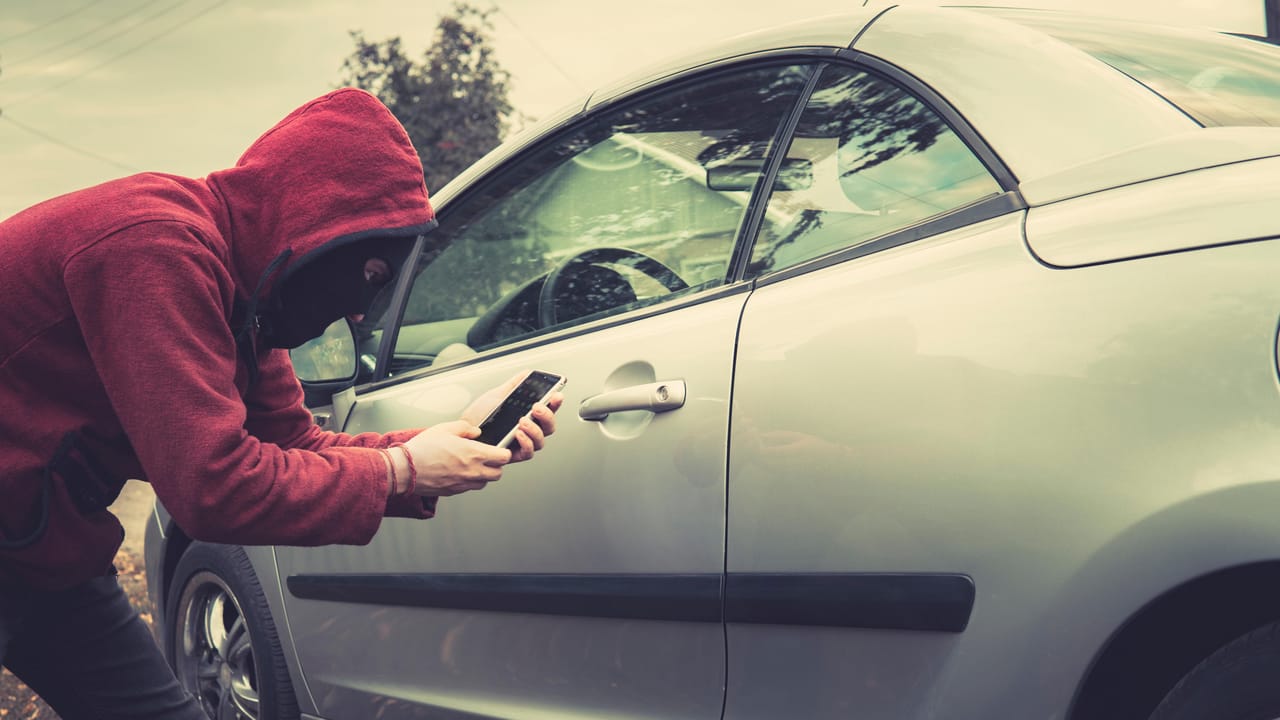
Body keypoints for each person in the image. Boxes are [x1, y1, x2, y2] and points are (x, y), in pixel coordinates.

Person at [0, 87, 562, 718]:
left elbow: (295, 444)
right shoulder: (156, 248)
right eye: (370, 275)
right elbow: (213, 486)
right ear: (314, 224)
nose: (359, 312)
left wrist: (444, 441)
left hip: (39, 548)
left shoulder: (248, 298)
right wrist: (401, 470)